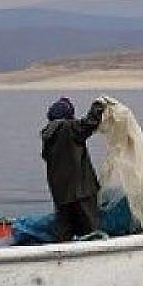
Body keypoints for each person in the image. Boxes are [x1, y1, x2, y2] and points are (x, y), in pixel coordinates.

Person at [41, 96, 107, 241]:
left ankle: (62, 260)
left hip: (60, 195)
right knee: (90, 233)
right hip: (81, 192)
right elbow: (90, 123)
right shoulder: (68, 127)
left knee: (64, 233)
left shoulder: (47, 134)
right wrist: (98, 105)